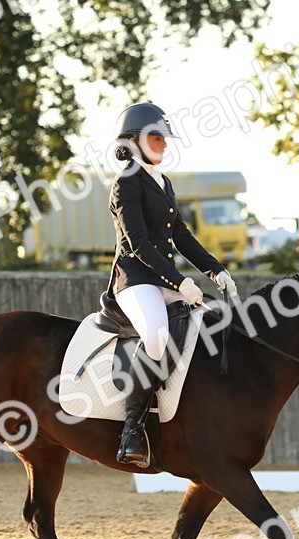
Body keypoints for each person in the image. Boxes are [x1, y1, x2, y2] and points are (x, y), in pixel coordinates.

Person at [107, 102, 241, 465]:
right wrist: (180, 282)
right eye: (156, 137)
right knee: (156, 334)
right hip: (135, 280)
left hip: (164, 280)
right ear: (133, 141)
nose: (164, 144)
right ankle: (131, 430)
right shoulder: (125, 183)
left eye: (165, 138)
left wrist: (215, 270)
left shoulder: (162, 182)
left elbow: (181, 235)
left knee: (208, 326)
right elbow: (138, 244)